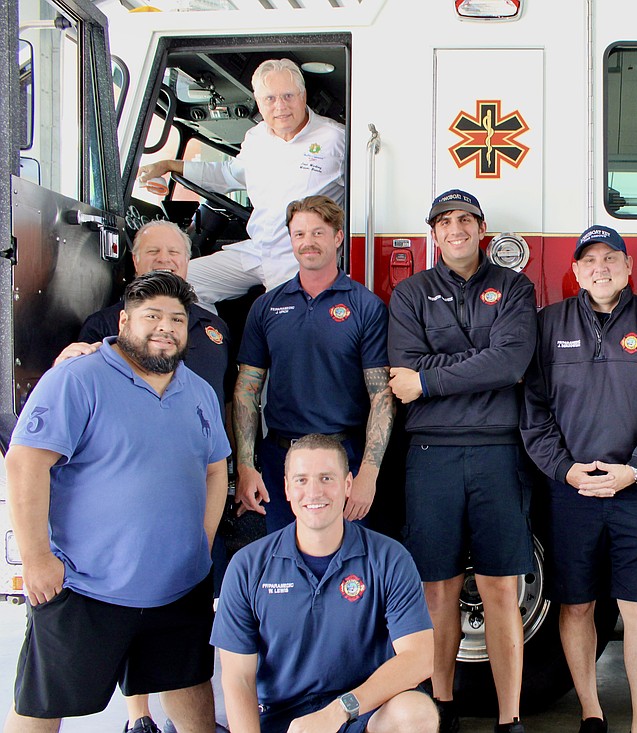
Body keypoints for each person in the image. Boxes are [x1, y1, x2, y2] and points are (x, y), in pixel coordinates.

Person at [4, 272, 230, 733]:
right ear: (124, 320)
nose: (165, 327)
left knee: (191, 691)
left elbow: (214, 470)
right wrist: (38, 558)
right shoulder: (77, 378)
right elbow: (26, 465)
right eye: (152, 316)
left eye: (176, 319)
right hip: (86, 587)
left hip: (177, 588)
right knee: (43, 706)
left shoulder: (200, 392)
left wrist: (200, 546)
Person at [521, 225, 637, 733]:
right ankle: (591, 712)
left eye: (611, 259)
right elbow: (534, 411)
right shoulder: (548, 324)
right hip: (570, 492)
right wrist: (565, 469)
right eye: (590, 260)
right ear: (575, 270)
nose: (601, 268)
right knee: (575, 607)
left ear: (628, 267)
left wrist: (635, 469)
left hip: (636, 491)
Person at [387, 189, 536, 733]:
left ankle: (510, 717)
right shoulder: (409, 293)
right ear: (433, 233)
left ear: (482, 229)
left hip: (500, 451)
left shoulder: (515, 286)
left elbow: (513, 362)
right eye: (444, 221)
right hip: (431, 455)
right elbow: (402, 372)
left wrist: (431, 379)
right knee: (438, 587)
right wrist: (475, 369)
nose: (455, 229)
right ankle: (442, 707)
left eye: (465, 220)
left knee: (501, 587)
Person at [211, 433, 437, 733]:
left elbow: (418, 659)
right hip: (284, 721)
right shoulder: (248, 566)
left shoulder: (390, 558)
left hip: (361, 714)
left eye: (327, 478)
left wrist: (340, 710)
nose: (314, 492)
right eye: (302, 480)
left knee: (416, 713)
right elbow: (237, 677)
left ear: (347, 485)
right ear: (287, 488)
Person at [234, 195, 394, 536]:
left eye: (318, 233)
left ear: (338, 238)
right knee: (285, 561)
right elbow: (247, 390)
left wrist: (367, 472)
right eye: (299, 234)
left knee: (348, 564)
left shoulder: (366, 307)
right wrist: (246, 466)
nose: (308, 242)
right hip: (281, 459)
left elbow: (382, 396)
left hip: (342, 458)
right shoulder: (265, 307)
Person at [137, 58, 345, 309]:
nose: (280, 106)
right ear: (258, 102)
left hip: (301, 257)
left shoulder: (335, 138)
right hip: (257, 249)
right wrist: (170, 165)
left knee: (283, 326)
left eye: (288, 96)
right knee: (176, 284)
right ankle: (211, 343)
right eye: (270, 99)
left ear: (303, 96)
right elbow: (228, 174)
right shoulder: (256, 138)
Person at [55, 219, 231, 405]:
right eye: (153, 251)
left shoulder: (215, 326)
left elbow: (227, 400)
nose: (164, 259)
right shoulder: (102, 324)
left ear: (187, 260)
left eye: (173, 252)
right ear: (135, 260)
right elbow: (76, 392)